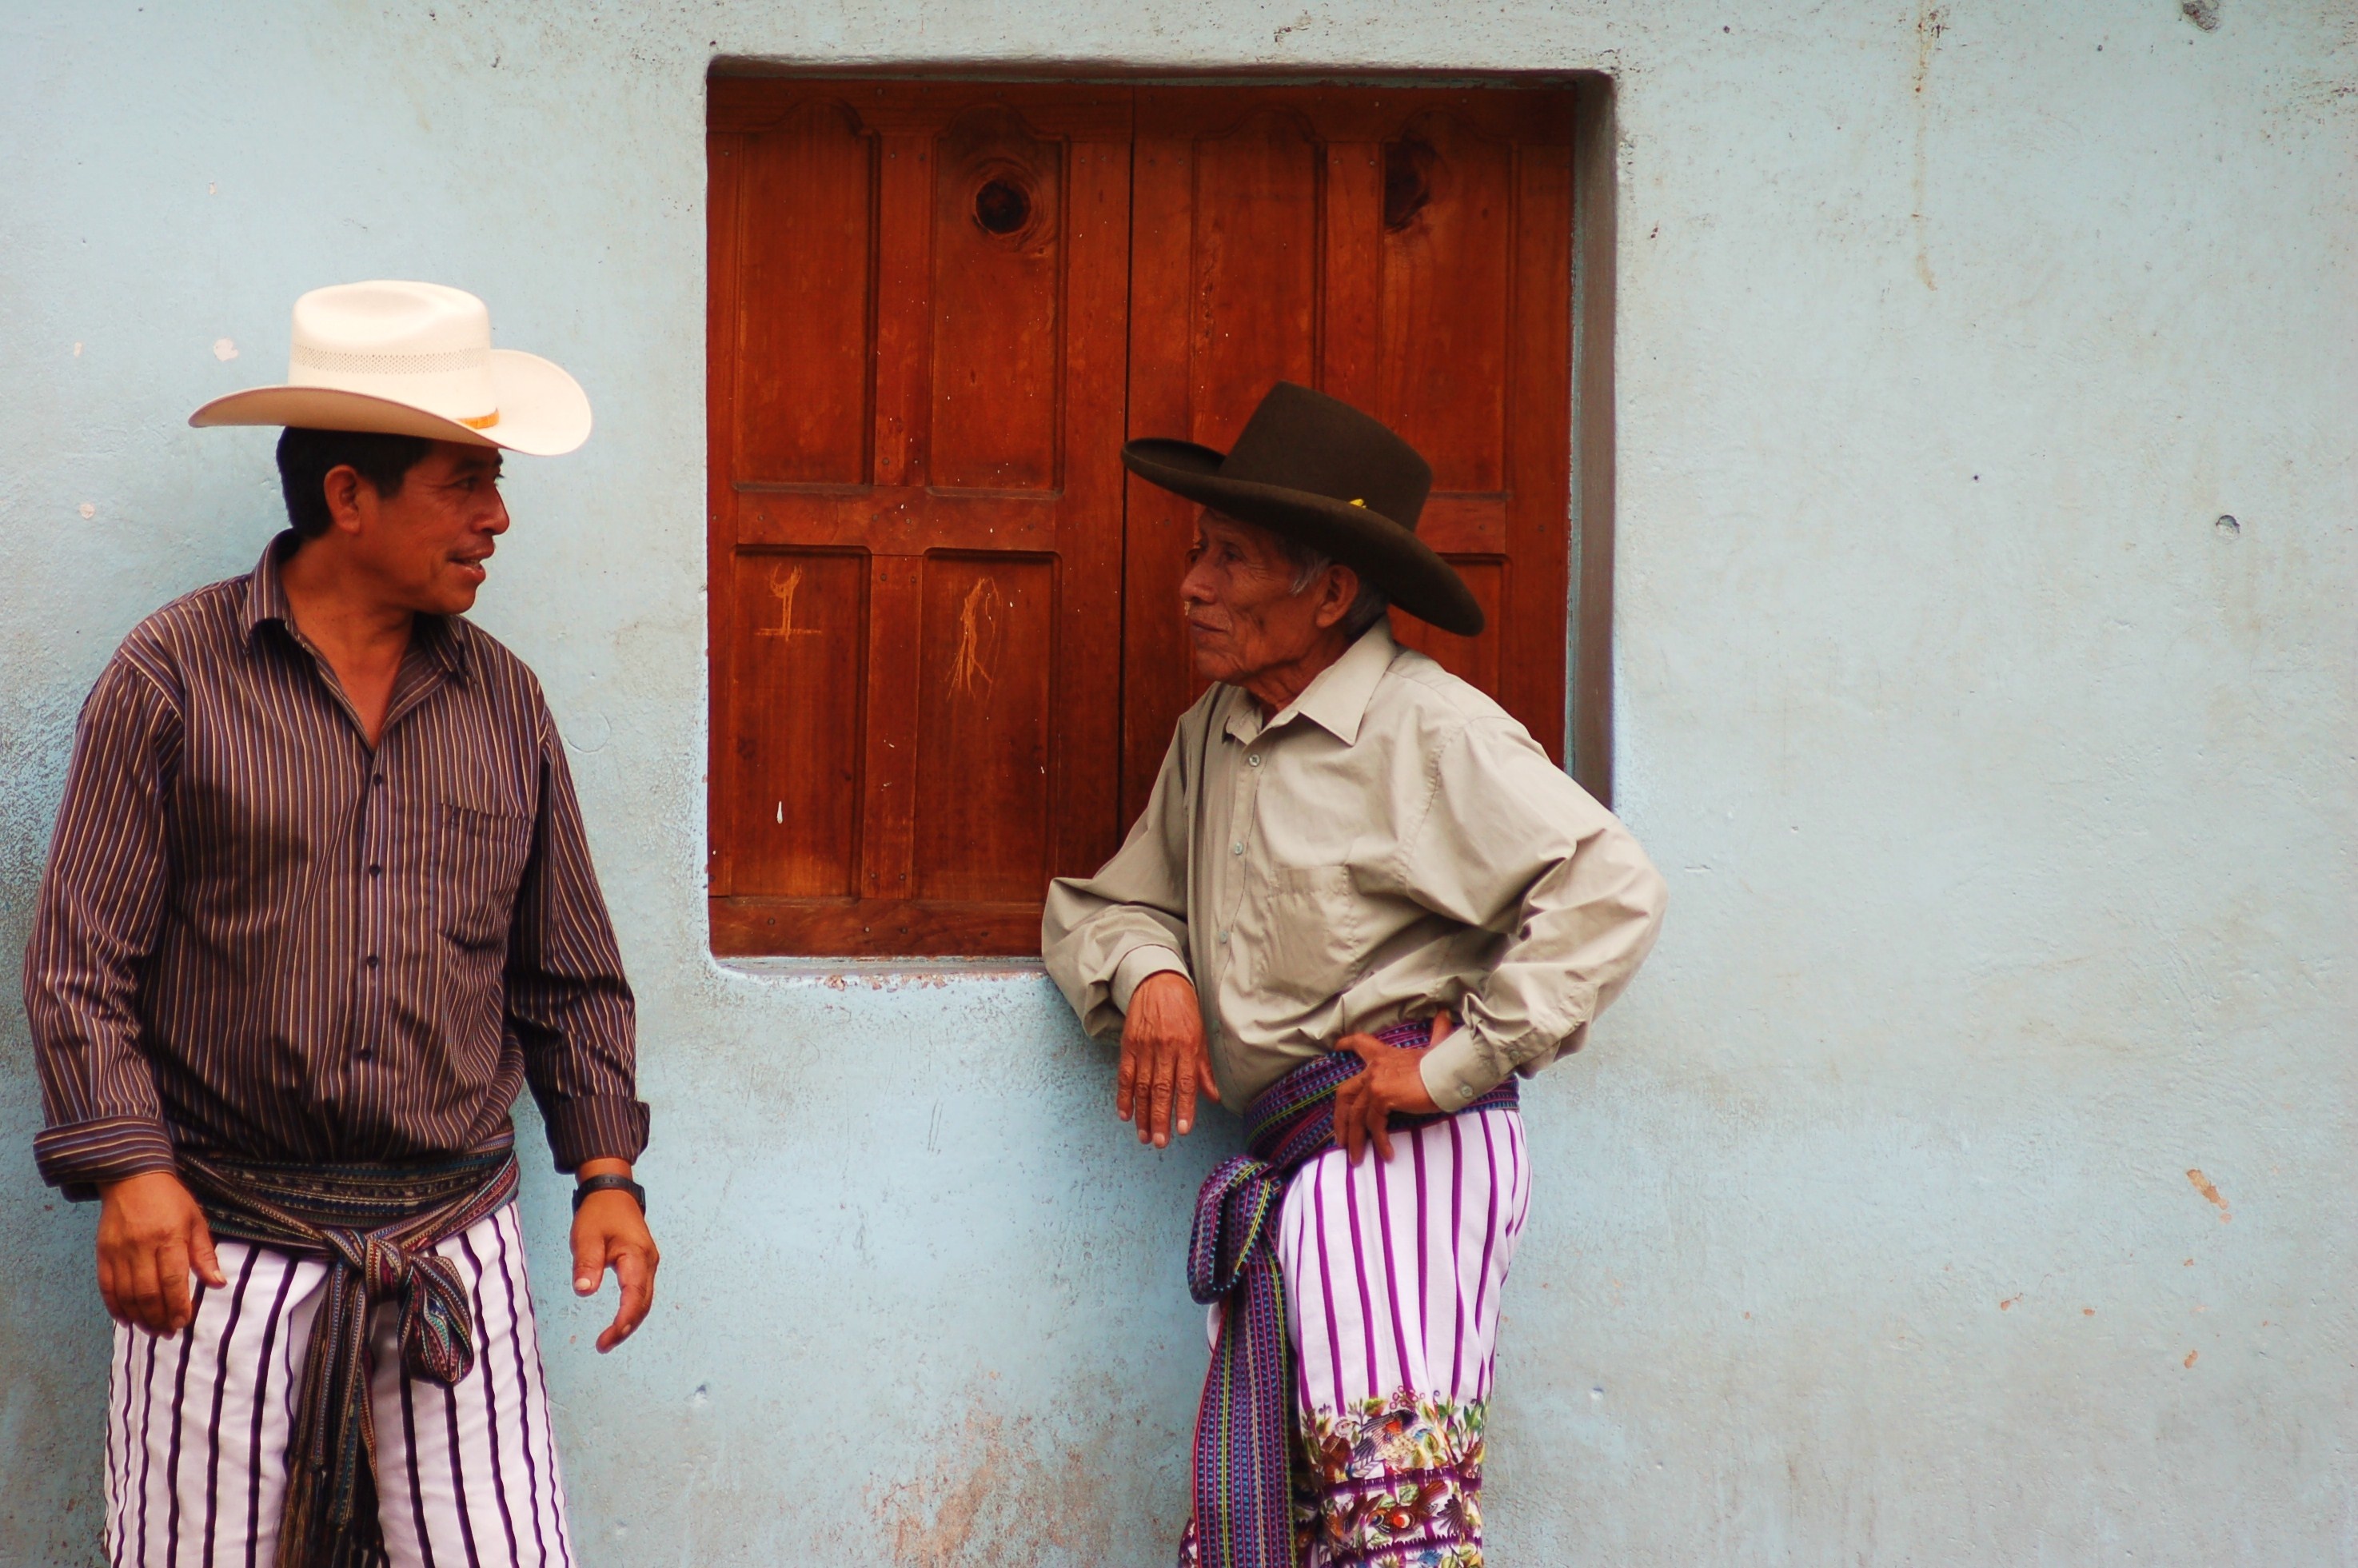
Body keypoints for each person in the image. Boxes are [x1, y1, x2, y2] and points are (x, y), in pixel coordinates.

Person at [24, 280, 658, 1568]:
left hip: (453, 1246)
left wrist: (606, 1172)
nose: (498, 515)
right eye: (465, 479)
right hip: (222, 1247)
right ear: (348, 496)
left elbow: (567, 975)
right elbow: (79, 962)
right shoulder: (174, 677)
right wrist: (130, 1172)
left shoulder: (505, 706)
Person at [1043, 382, 1667, 1568]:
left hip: (1399, 1149)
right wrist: (1157, 976)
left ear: (1328, 592)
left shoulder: (1425, 726)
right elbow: (1109, 905)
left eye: (1229, 558)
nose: (1191, 583)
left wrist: (1452, 1065)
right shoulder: (1215, 731)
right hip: (1307, 1163)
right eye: (1198, 553)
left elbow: (1612, 885)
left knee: (1395, 1516)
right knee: (1320, 1520)